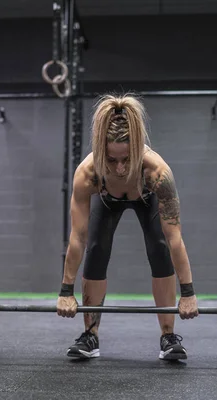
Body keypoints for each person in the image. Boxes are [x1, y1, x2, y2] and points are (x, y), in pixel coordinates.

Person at [56, 94, 199, 361]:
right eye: (111, 160)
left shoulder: (156, 172)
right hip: (108, 200)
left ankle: (168, 336)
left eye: (126, 159)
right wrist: (66, 291)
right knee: (96, 249)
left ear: (136, 149)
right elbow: (78, 238)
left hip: (146, 197)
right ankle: (90, 335)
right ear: (101, 153)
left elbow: (175, 239)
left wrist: (188, 293)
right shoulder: (88, 174)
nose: (120, 168)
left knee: (159, 247)